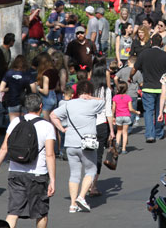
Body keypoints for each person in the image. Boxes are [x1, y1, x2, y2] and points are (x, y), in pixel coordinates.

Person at [0, 93, 56, 228]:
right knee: (41, 213)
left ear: (26, 107)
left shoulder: (16, 122)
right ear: (41, 106)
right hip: (37, 174)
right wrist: (53, 180)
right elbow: (50, 155)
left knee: (13, 212)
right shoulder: (47, 126)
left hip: (15, 172)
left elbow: (4, 148)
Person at [50, 80, 105, 213]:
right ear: (90, 92)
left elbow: (53, 115)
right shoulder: (92, 103)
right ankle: (81, 197)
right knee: (91, 170)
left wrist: (62, 129)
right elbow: (102, 102)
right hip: (87, 144)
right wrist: (90, 97)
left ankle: (73, 205)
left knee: (74, 174)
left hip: (70, 143)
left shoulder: (68, 104)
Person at [132, 34, 166, 143]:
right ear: (161, 44)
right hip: (161, 88)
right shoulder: (165, 55)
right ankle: (158, 132)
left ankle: (150, 134)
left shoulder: (144, 54)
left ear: (151, 43)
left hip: (148, 87)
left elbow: (135, 68)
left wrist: (131, 76)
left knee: (148, 111)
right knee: (160, 111)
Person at [89, 63, 114, 197]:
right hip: (101, 125)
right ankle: (93, 185)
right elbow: (108, 111)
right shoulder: (106, 91)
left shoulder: (88, 88)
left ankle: (87, 181)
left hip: (87, 125)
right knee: (98, 155)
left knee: (87, 155)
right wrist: (112, 130)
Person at [0, 55, 32, 121]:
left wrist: (10, 88)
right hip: (23, 102)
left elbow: (1, 88)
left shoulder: (9, 73)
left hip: (12, 101)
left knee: (13, 125)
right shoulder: (27, 74)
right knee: (24, 123)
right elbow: (33, 89)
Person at [112, 81, 140, 154]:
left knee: (118, 132)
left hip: (118, 116)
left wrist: (113, 117)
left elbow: (113, 108)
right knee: (125, 133)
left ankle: (117, 145)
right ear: (126, 89)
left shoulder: (115, 97)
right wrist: (136, 112)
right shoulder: (128, 97)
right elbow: (130, 109)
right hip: (126, 116)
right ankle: (124, 149)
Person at [35, 53, 59, 120]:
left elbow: (45, 91)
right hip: (54, 96)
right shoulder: (55, 71)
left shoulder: (46, 73)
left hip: (47, 98)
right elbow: (57, 87)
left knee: (45, 121)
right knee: (54, 120)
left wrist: (38, 88)